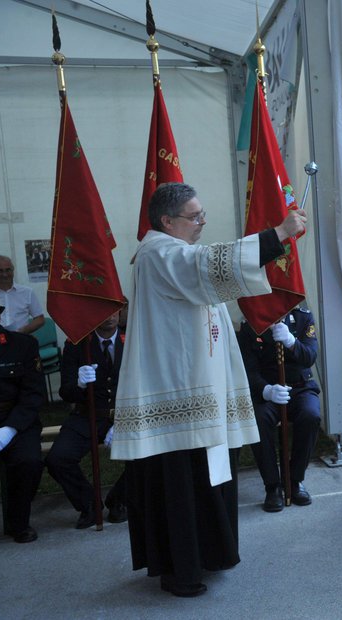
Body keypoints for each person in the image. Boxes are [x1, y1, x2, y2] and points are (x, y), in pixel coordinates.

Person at [111, 182, 306, 598]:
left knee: (204, 478)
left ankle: (209, 555)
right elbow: (206, 265)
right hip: (178, 394)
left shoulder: (170, 252)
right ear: (167, 221)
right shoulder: (158, 251)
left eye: (201, 215)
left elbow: (212, 276)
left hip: (198, 389)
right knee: (182, 484)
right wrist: (279, 234)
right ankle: (181, 569)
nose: (202, 222)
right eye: (194, 216)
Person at [45, 310, 127, 529]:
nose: (109, 316)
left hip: (125, 415)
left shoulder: (132, 340)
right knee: (58, 459)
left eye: (114, 310)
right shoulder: (77, 344)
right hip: (86, 415)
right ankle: (89, 504)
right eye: (103, 310)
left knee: (150, 453)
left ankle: (120, 499)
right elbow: (65, 391)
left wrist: (123, 419)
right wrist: (79, 385)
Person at [237, 305, 321, 512]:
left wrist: (292, 343)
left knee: (311, 416)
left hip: (300, 387)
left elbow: (309, 356)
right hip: (268, 390)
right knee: (259, 420)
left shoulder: (303, 318)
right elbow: (247, 368)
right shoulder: (251, 324)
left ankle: (294, 480)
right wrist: (265, 390)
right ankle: (272, 486)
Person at [0, 291, 44, 543]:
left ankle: (18, 523)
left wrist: (10, 429)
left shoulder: (22, 345)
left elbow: (33, 394)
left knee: (28, 461)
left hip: (13, 418)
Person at [0, 256, 46, 335]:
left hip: (20, 339)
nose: (4, 274)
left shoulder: (27, 292)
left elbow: (40, 319)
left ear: (13, 270)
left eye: (8, 270)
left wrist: (24, 330)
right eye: (0, 271)